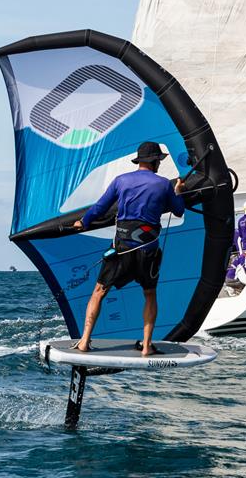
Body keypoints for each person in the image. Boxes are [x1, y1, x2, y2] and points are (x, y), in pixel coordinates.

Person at [71, 141, 185, 356]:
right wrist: (178, 191)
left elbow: (100, 208)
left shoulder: (121, 181)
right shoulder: (163, 185)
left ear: (140, 161)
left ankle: (85, 341)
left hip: (122, 248)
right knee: (149, 294)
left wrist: (83, 222)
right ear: (155, 162)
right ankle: (147, 346)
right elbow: (178, 211)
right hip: (148, 251)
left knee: (99, 292)